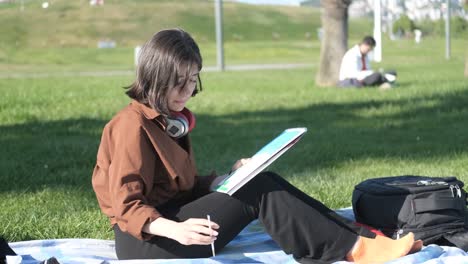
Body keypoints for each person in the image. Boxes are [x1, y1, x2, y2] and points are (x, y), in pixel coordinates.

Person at [91, 29, 421, 264]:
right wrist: (175, 229)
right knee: (258, 191)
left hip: (170, 221)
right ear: (155, 76)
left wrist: (220, 182)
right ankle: (353, 250)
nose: (188, 91)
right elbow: (127, 206)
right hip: (149, 241)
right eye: (180, 82)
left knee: (259, 179)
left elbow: (177, 187)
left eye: (194, 80)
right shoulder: (130, 127)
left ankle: (359, 234)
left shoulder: (168, 119)